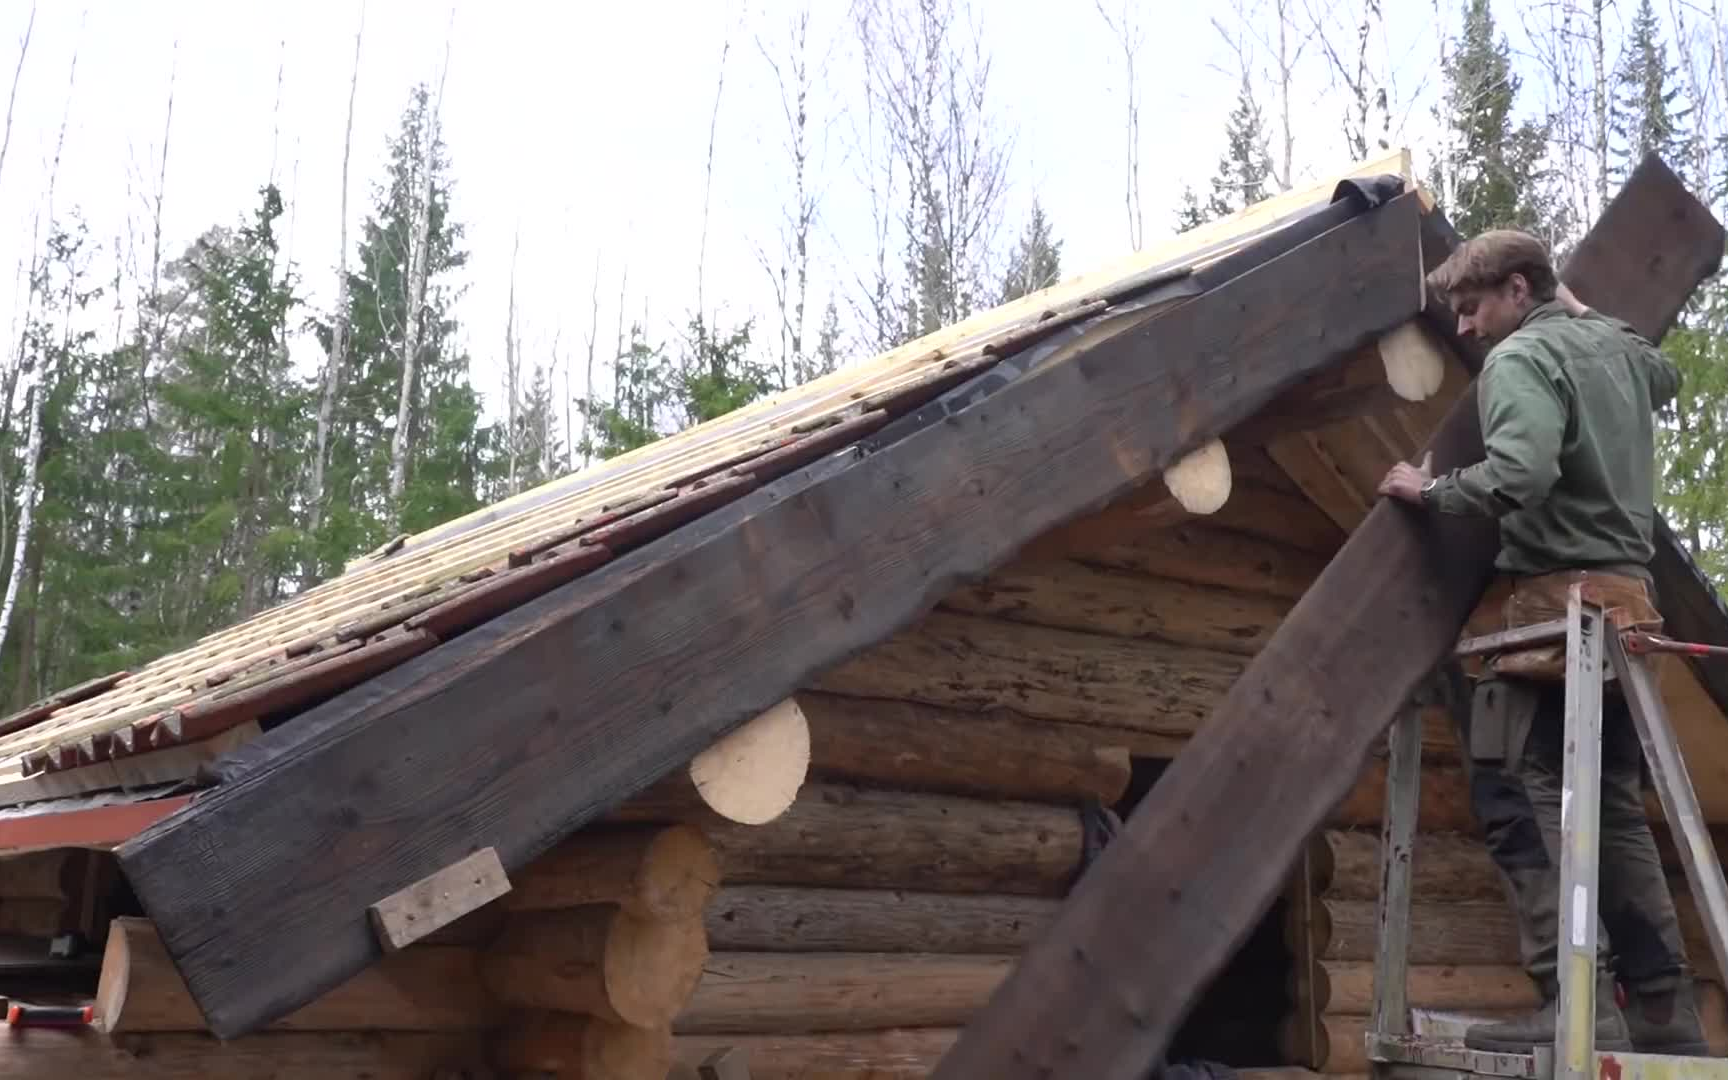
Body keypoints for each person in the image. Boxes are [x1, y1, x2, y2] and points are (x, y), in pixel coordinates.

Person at [1377, 229, 1706, 1055]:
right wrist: (1581, 307)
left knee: (1514, 795)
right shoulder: (1609, 347)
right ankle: (1665, 1013)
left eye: (1475, 305)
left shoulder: (1517, 364)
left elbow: (1521, 474)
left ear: (1520, 292)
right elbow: (1663, 372)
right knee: (1617, 813)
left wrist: (1434, 489)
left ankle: (1576, 1004)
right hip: (1631, 610)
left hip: (1557, 616)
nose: (1465, 326)